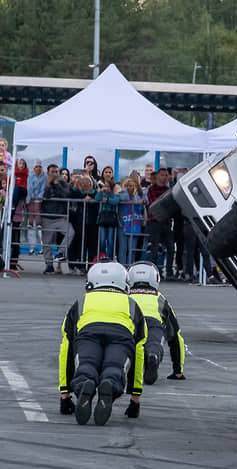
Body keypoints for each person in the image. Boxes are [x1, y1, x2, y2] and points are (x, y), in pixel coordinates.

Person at [57, 262, 147, 426]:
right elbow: (139, 351)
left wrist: (65, 394)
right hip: (122, 335)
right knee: (114, 367)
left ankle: (84, 382)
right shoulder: (132, 304)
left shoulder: (82, 301)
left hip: (88, 332)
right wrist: (135, 398)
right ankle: (110, 384)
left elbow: (66, 348)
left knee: (87, 363)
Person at [127, 261, 186, 383]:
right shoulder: (160, 298)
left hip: (131, 321)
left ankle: (119, 367)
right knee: (154, 342)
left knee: (125, 344)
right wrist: (178, 370)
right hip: (153, 322)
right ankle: (153, 355)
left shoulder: (126, 296)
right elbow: (177, 336)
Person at [41, 164, 74, 274]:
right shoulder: (44, 183)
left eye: (56, 172)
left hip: (60, 217)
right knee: (47, 242)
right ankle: (49, 265)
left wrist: (57, 185)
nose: (55, 174)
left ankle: (60, 252)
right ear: (48, 173)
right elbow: (44, 196)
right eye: (53, 172)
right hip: (47, 216)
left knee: (70, 232)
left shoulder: (63, 184)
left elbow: (66, 196)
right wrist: (48, 185)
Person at [145, 168, 174, 278]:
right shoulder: (151, 189)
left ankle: (169, 272)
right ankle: (155, 272)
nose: (165, 177)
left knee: (171, 248)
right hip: (155, 222)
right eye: (162, 175)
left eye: (166, 175)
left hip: (166, 222)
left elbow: (170, 205)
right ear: (157, 177)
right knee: (154, 249)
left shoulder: (168, 190)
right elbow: (155, 204)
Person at [118, 175, 147, 265]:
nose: (128, 187)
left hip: (135, 226)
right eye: (127, 185)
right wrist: (125, 192)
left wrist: (138, 201)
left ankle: (130, 266)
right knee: (123, 249)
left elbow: (145, 200)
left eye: (131, 186)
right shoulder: (121, 195)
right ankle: (123, 266)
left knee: (132, 249)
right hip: (123, 225)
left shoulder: (138, 197)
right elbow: (124, 199)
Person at [95, 177, 121, 261]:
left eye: (108, 186)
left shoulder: (114, 194)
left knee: (110, 240)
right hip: (103, 220)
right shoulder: (102, 193)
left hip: (111, 220)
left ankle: (109, 257)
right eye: (105, 186)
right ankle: (102, 256)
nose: (106, 188)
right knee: (102, 240)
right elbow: (97, 198)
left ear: (112, 187)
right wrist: (101, 191)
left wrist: (108, 199)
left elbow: (116, 201)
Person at [26, 160, 47, 254]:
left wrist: (39, 197)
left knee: (39, 226)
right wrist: (31, 197)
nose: (38, 168)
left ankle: (42, 247)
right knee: (31, 226)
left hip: (39, 200)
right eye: (36, 167)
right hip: (31, 199)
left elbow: (43, 188)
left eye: (39, 167)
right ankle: (32, 247)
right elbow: (29, 187)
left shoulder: (44, 176)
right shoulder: (30, 176)